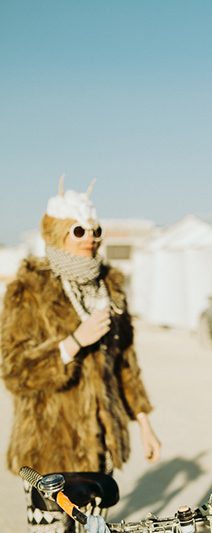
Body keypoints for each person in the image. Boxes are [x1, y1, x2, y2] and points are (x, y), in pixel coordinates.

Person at [1, 179, 161, 533]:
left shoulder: (110, 287)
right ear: (57, 234)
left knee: (96, 530)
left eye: (95, 229)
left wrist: (145, 425)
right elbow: (13, 371)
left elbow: (126, 365)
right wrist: (72, 343)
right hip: (48, 448)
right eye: (79, 230)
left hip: (100, 449)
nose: (90, 236)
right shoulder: (27, 290)